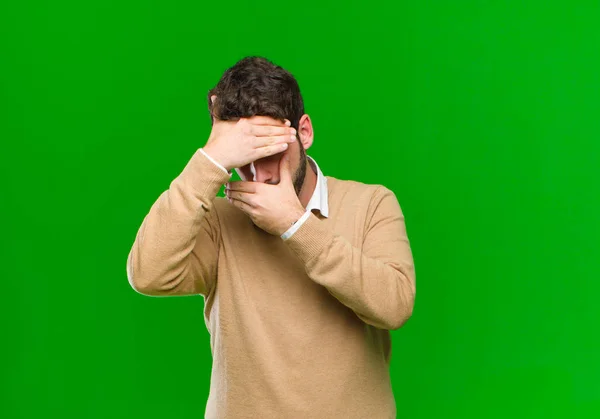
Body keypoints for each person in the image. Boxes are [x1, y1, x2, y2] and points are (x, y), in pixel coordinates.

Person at [126, 56, 416, 419]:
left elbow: (395, 305)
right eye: (243, 155)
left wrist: (295, 225)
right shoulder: (218, 220)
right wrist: (209, 161)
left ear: (304, 132)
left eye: (271, 151)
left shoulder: (371, 203)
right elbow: (147, 274)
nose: (257, 175)